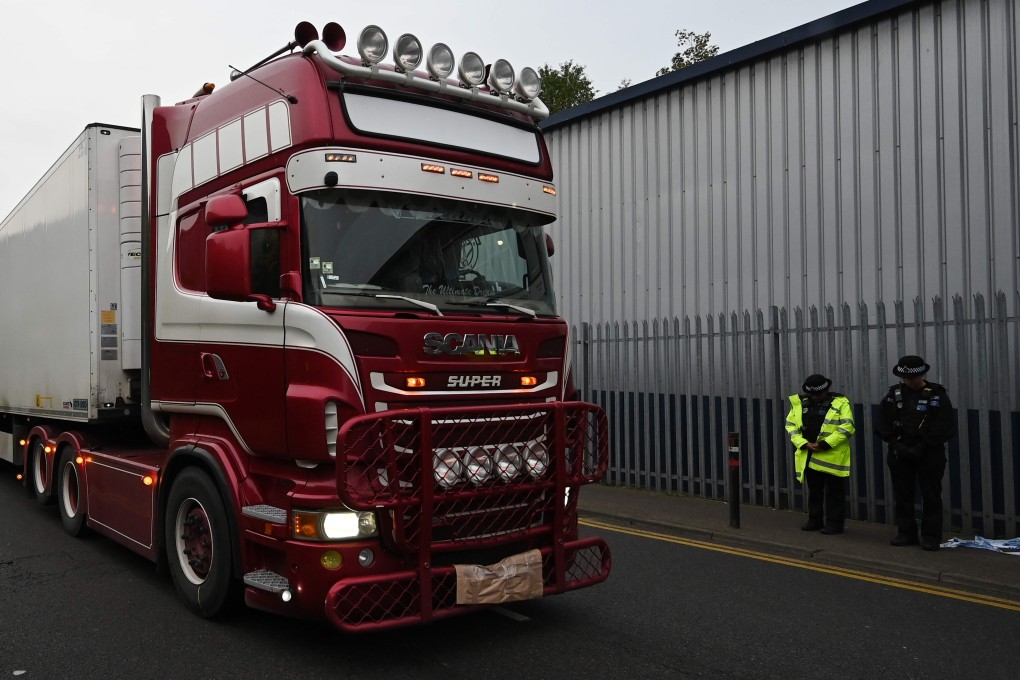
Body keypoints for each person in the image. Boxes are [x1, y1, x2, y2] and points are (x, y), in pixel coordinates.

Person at [875, 355, 956, 551]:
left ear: (922, 374)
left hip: (929, 453)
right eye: (904, 378)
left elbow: (945, 426)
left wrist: (922, 447)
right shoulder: (892, 395)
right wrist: (896, 444)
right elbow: (882, 424)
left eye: (912, 378)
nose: (908, 381)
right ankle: (906, 533)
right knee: (903, 494)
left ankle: (930, 536)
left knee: (931, 495)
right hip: (899, 452)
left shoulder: (937, 395)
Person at [785, 374, 855, 534]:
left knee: (835, 493)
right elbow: (791, 426)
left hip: (832, 456)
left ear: (826, 391)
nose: (815, 398)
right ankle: (814, 520)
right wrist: (803, 443)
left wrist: (823, 444)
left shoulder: (840, 403)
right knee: (814, 492)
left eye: (818, 394)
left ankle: (834, 524)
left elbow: (847, 428)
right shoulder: (800, 404)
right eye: (812, 395)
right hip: (809, 454)